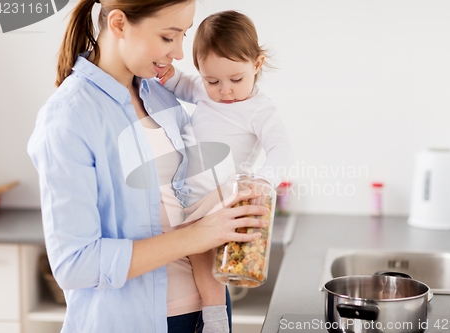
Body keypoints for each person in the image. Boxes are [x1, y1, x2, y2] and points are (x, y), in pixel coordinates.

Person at [27, 1, 269, 332]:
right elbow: (74, 264)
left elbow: (184, 192)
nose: (181, 53)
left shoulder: (158, 94)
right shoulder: (69, 117)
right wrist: (198, 235)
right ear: (119, 24)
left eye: (184, 34)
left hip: (208, 312)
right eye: (169, 37)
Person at [156, 9, 293, 330]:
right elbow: (182, 85)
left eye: (236, 79)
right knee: (193, 251)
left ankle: (216, 316)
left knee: (205, 254)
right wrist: (167, 75)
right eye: (213, 80)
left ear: (256, 65)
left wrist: (263, 180)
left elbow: (281, 150)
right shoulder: (204, 89)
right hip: (188, 193)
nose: (225, 90)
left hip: (224, 195)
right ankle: (214, 312)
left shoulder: (260, 109)